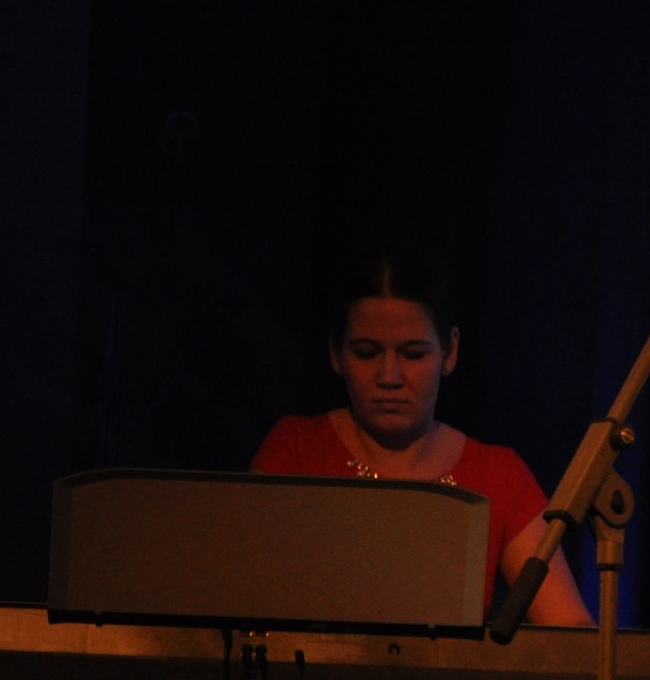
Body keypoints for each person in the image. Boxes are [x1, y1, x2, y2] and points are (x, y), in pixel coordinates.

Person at [252, 244, 593, 628]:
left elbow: (571, 633)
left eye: (413, 354)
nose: (389, 377)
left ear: (450, 351)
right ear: (336, 352)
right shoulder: (296, 450)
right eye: (366, 353)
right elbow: (233, 592)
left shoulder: (498, 475)